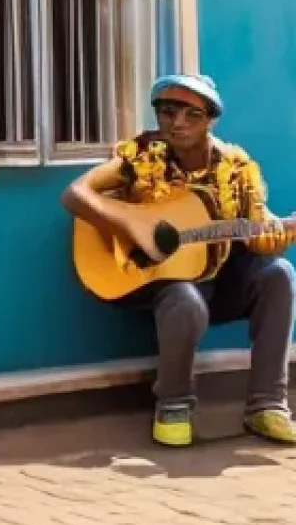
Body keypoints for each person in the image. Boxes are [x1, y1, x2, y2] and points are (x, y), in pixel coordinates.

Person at [62, 72, 296, 448]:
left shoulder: (236, 169)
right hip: (155, 283)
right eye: (168, 112)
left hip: (218, 282)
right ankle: (173, 405)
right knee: (184, 297)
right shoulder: (141, 157)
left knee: (279, 274)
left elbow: (261, 230)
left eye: (192, 114)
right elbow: (75, 194)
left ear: (211, 119)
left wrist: (278, 233)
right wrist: (129, 224)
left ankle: (268, 405)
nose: (178, 123)